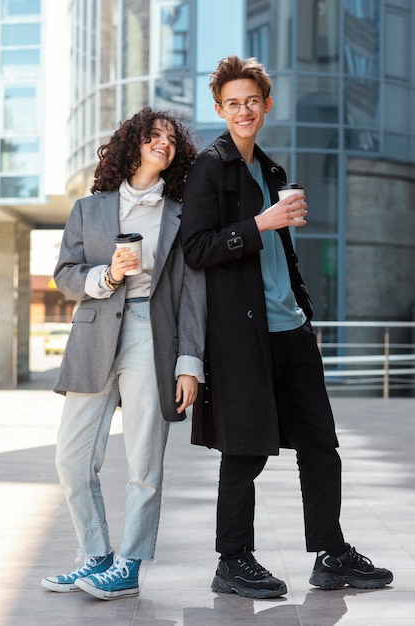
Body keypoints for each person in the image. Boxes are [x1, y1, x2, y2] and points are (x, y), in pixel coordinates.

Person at [180, 56, 393, 599]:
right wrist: (260, 223)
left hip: (291, 331)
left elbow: (283, 253)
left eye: (252, 100)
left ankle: (331, 553)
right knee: (245, 449)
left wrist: (303, 309)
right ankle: (232, 561)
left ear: (265, 104)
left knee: (321, 446)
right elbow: (196, 249)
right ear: (220, 109)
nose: (244, 110)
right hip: (244, 336)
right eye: (233, 103)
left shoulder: (269, 170)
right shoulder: (211, 166)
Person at [41, 107, 206, 600]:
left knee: (144, 462)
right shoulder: (88, 210)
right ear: (132, 143)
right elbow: (65, 276)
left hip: (151, 335)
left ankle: (130, 563)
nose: (164, 143)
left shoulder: (180, 215)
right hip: (94, 331)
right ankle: (96, 555)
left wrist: (189, 363)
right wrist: (108, 273)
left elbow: (192, 295)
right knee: (71, 458)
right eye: (154, 135)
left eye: (172, 139)